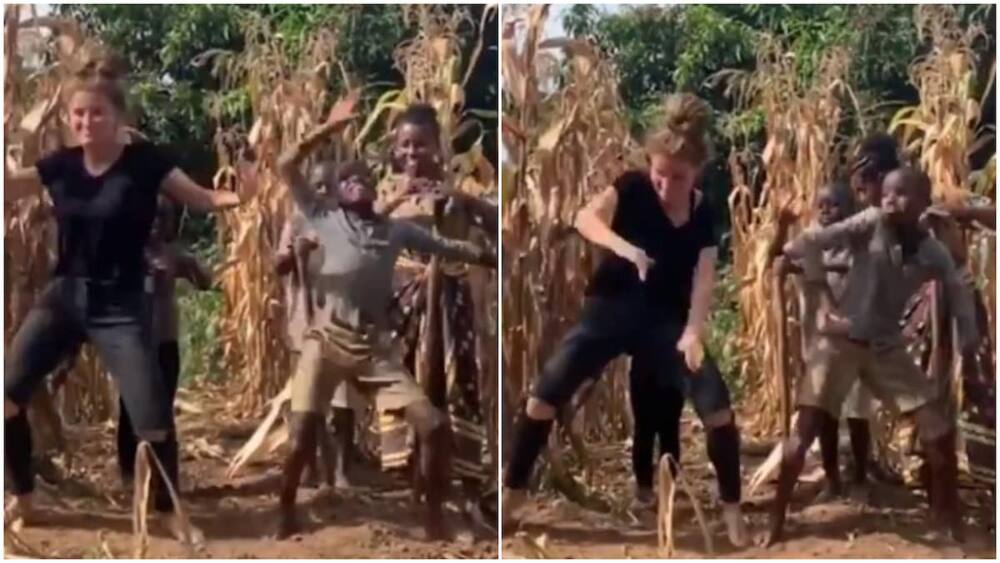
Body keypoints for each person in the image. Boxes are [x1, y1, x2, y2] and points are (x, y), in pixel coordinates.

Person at [3, 53, 258, 542]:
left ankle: (168, 511)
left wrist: (241, 193)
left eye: (96, 113)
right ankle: (25, 499)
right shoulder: (62, 165)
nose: (86, 122)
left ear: (119, 118)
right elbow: (13, 186)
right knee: (7, 397)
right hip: (64, 297)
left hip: (120, 304)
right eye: (78, 115)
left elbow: (202, 198)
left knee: (152, 419)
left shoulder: (146, 164)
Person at [502, 93, 748, 548]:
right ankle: (512, 494)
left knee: (717, 407)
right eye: (659, 175)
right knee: (544, 397)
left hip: (665, 323)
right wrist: (625, 248)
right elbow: (585, 219)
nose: (665, 187)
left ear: (696, 173)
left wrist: (693, 332)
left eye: (677, 178)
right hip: (610, 311)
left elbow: (704, 279)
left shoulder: (704, 212)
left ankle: (733, 512)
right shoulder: (632, 188)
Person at [274, 95, 495, 540]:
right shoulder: (334, 216)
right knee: (303, 433)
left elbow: (466, 247)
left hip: (403, 331)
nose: (412, 155)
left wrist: (480, 240)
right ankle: (287, 510)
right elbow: (289, 168)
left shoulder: (416, 216)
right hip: (360, 328)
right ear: (334, 195)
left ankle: (446, 515)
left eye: (364, 180)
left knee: (440, 413)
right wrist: (329, 128)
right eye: (347, 181)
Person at [771, 167, 978, 546]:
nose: (889, 201)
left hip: (885, 347)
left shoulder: (932, 250)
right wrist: (812, 283)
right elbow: (817, 239)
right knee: (804, 433)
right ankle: (777, 523)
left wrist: (969, 341)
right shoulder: (870, 223)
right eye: (885, 193)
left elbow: (957, 288)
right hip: (840, 341)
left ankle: (949, 517)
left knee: (938, 429)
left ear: (921, 201)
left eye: (900, 194)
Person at [376, 103, 498, 528]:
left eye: (421, 144)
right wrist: (395, 202)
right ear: (395, 150)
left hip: (452, 306)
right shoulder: (384, 195)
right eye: (405, 145)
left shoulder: (461, 192)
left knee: (457, 395)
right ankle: (421, 497)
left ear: (438, 147)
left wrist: (463, 200)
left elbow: (501, 228)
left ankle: (465, 494)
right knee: (412, 396)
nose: (413, 153)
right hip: (404, 307)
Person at [116, 198, 212, 487]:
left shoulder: (171, 255)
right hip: (133, 344)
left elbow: (206, 282)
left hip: (165, 343)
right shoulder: (124, 254)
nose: (157, 223)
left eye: (163, 217)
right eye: (151, 216)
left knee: (163, 410)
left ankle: (163, 480)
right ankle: (129, 474)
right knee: (129, 410)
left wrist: (193, 266)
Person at [274, 187, 362, 490]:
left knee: (344, 401)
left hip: (342, 320)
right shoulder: (297, 221)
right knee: (308, 400)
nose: (322, 193)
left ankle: (341, 471)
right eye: (316, 187)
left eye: (329, 187)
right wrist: (296, 252)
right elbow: (278, 265)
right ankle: (311, 467)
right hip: (305, 322)